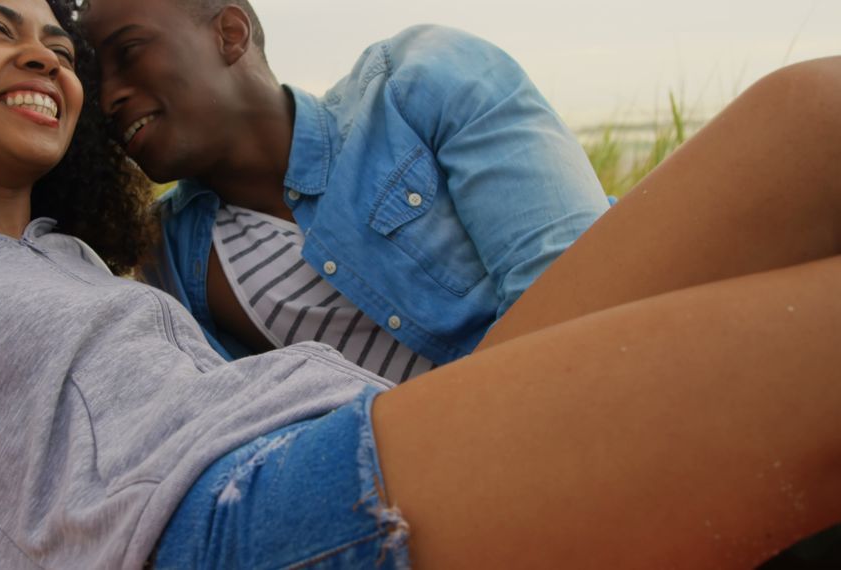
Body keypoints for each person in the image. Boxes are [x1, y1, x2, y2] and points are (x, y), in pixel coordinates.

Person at [0, 0, 840, 569]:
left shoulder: (85, 260)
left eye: (62, 44)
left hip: (363, 432)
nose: (50, 58)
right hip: (235, 517)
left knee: (812, 114)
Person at [87, 0, 611, 381]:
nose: (108, 97)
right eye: (93, 79)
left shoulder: (418, 79)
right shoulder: (166, 258)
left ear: (230, 32)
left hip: (599, 374)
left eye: (128, 52)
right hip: (442, 477)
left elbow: (580, 288)